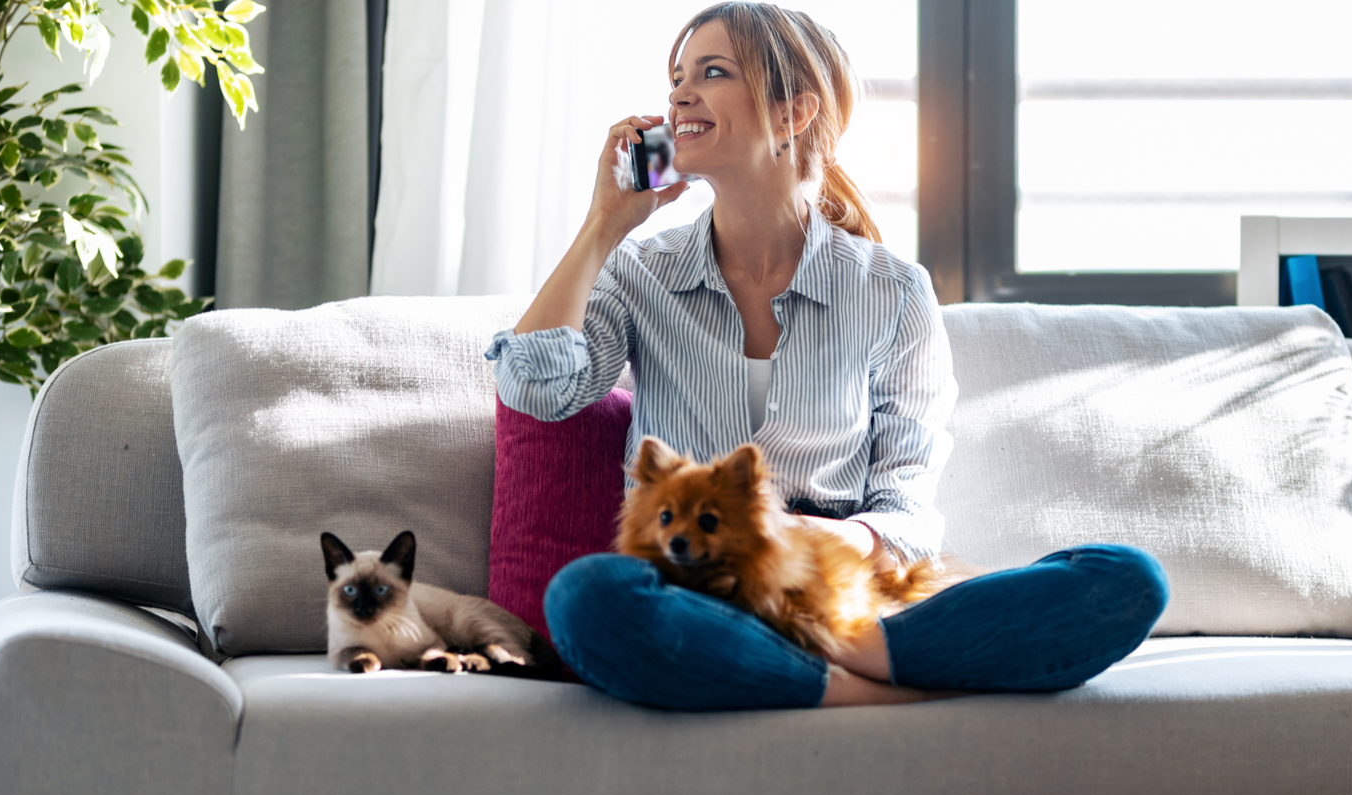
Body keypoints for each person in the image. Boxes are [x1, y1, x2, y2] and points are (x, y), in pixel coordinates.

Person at [487, 1, 1167, 711]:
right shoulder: (640, 271)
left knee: (1123, 579)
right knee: (587, 596)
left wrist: (824, 539)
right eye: (677, 78)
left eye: (711, 73)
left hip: (835, 586)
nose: (679, 95)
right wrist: (603, 226)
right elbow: (537, 389)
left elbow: (907, 504)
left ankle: (831, 652)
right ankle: (861, 683)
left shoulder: (894, 290)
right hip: (697, 591)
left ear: (792, 114)